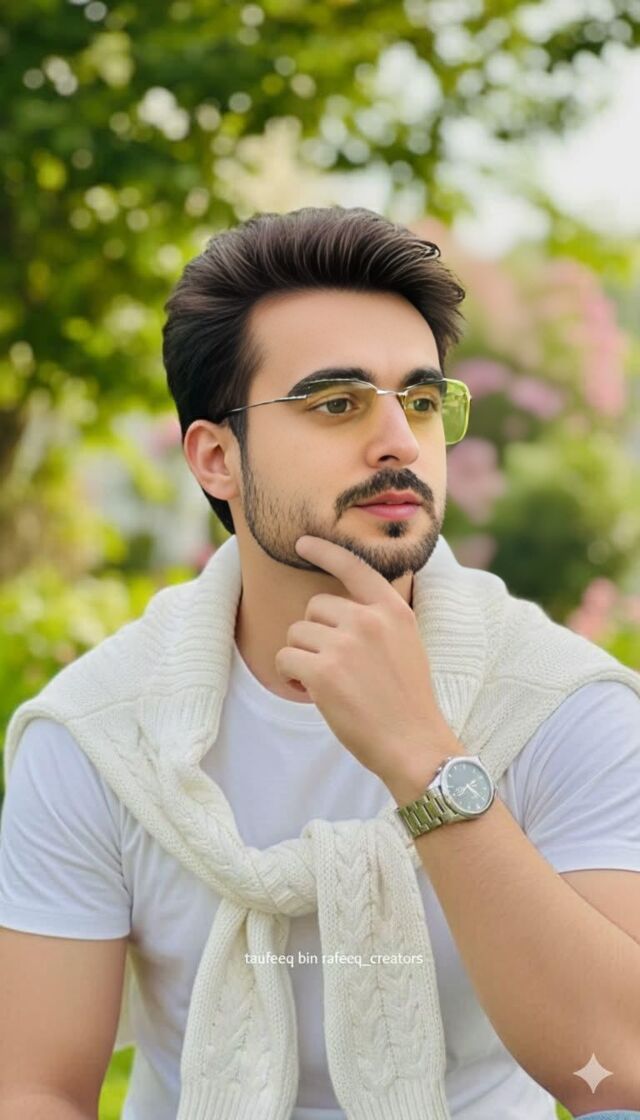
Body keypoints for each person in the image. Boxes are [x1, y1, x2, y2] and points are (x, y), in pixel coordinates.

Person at [1, 207, 640, 1120]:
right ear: (216, 459)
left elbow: (624, 1071)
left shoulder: (560, 704)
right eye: (337, 403)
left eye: (421, 402)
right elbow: (35, 1090)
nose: (399, 441)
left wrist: (424, 758)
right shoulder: (101, 734)